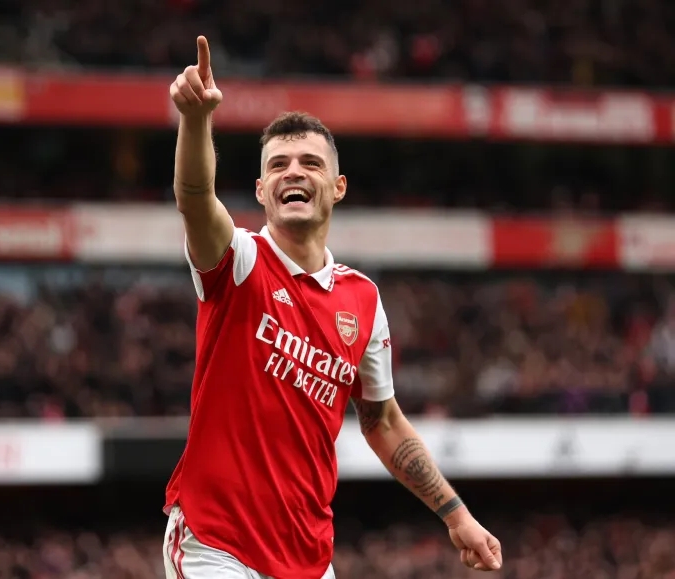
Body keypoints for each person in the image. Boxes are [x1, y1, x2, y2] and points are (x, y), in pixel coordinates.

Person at [163, 35, 503, 579]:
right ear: (261, 190)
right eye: (278, 164)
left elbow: (383, 421)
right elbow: (196, 197)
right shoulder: (239, 260)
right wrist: (196, 119)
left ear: (338, 186)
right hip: (215, 543)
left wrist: (456, 515)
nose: (293, 172)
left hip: (308, 555)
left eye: (310, 163)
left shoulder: (362, 299)